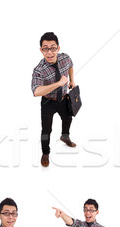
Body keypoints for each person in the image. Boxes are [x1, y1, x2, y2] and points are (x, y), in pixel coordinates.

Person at [31, 32, 77, 167]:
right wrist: (58, 83)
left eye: (53, 48)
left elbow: (71, 65)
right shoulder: (39, 70)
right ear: (41, 50)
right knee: (46, 129)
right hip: (48, 102)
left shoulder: (65, 58)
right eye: (45, 48)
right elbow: (36, 91)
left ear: (58, 48)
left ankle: (65, 136)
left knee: (68, 118)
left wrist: (72, 80)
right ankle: (45, 153)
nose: (50, 52)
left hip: (63, 98)